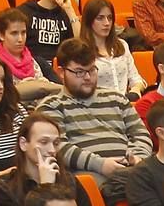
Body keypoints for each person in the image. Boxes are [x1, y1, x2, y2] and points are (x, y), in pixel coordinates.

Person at [36, 39, 149, 190]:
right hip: (89, 173)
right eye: (79, 72)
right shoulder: (51, 106)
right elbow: (57, 147)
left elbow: (140, 133)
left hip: (131, 167)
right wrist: (101, 165)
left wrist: (138, 157)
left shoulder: (116, 98)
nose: (88, 77)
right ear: (62, 72)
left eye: (91, 70)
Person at [20, 0, 80, 84]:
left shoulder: (65, 12)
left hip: (60, 70)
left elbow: (79, 43)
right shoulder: (25, 12)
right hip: (34, 70)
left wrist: (71, 11)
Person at [0, 5, 62, 102]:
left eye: (23, 32)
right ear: (1, 35)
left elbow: (61, 88)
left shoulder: (38, 61)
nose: (20, 39)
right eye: (14, 33)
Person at [77, 0, 143, 97]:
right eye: (100, 18)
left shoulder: (122, 45)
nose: (107, 23)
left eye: (110, 18)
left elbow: (136, 79)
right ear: (89, 21)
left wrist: (136, 90)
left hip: (125, 103)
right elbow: (80, 88)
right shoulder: (81, 50)